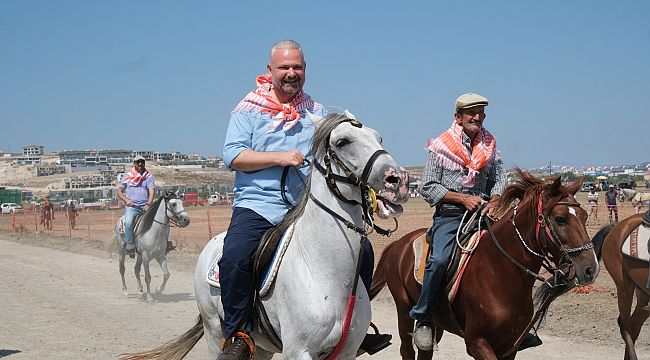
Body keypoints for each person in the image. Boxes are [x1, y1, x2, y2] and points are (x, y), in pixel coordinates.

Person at [218, 40, 387, 359]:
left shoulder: (317, 114)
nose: (291, 73)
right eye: (284, 67)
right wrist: (281, 157)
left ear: (305, 69)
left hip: (305, 208)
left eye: (297, 67)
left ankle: (357, 327)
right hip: (259, 206)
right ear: (270, 71)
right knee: (236, 256)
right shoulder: (248, 109)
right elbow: (233, 156)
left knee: (362, 250)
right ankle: (238, 334)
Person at [411, 93, 544, 351]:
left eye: (481, 112)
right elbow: (427, 186)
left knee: (515, 250)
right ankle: (424, 316)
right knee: (439, 260)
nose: (477, 117)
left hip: (484, 213)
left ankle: (520, 323)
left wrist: (495, 199)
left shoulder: (489, 144)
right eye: (471, 113)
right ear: (458, 117)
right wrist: (462, 199)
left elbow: (499, 179)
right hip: (450, 216)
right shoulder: (440, 146)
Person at [116, 155, 155, 257]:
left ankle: (163, 243)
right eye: (138, 162)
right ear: (134, 164)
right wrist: (126, 200)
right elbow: (119, 192)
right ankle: (130, 245)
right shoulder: (127, 176)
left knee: (160, 220)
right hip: (132, 207)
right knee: (128, 223)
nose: (140, 164)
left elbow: (151, 192)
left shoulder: (149, 177)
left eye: (142, 162)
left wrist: (148, 204)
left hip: (145, 206)